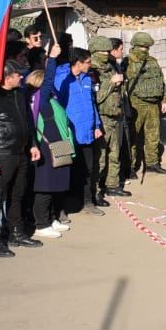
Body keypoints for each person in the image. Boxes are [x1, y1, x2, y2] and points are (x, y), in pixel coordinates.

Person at [0, 60, 42, 257]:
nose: (21, 77)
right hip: (1, 152)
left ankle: (16, 232)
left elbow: (27, 120)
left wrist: (32, 144)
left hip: (20, 151)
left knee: (17, 194)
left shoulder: (19, 93)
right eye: (17, 75)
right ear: (7, 78)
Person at [29, 48, 74, 238]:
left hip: (59, 145)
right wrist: (53, 59)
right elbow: (48, 81)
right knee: (45, 188)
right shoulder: (39, 101)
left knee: (57, 185)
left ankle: (51, 217)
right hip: (46, 148)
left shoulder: (49, 99)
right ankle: (41, 223)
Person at [54, 48, 104, 213]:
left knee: (88, 170)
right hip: (68, 134)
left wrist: (96, 125)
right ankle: (61, 208)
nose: (91, 65)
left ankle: (88, 202)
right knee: (65, 171)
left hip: (87, 132)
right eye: (88, 62)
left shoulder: (87, 79)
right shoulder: (60, 79)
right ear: (78, 62)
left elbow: (92, 103)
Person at [89, 37, 129, 198]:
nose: (106, 55)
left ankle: (112, 184)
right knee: (101, 156)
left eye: (108, 51)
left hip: (115, 115)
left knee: (115, 153)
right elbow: (95, 97)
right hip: (103, 117)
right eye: (103, 52)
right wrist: (112, 83)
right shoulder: (93, 70)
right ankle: (97, 190)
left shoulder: (110, 67)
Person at [125, 31, 166, 176]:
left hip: (153, 104)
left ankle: (152, 163)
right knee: (133, 136)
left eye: (146, 47)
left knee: (153, 135)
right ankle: (130, 167)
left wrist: (164, 100)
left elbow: (161, 81)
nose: (144, 50)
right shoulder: (128, 62)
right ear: (135, 46)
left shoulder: (152, 61)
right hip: (136, 104)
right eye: (142, 47)